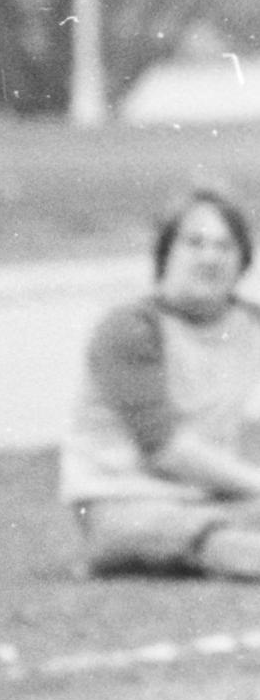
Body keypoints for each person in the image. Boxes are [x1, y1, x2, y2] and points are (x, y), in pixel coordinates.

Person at [61, 188, 260, 574]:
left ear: (243, 261)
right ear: (166, 252)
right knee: (220, 541)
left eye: (225, 245)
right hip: (122, 502)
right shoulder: (131, 329)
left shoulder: (249, 324)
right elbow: (165, 449)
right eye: (195, 242)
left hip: (209, 498)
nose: (210, 257)